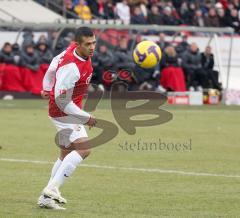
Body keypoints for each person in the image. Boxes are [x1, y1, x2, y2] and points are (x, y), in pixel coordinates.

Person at [38, 27, 97, 210]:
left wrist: (46, 87)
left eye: (94, 42)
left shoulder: (73, 49)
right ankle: (52, 188)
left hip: (64, 108)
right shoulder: (72, 67)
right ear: (78, 44)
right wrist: (86, 117)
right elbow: (62, 101)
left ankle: (45, 199)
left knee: (65, 153)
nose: (92, 47)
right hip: (64, 111)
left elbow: (53, 65)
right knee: (84, 149)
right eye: (88, 44)